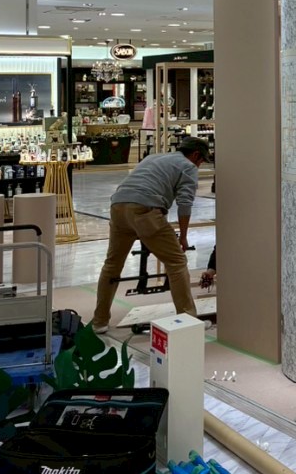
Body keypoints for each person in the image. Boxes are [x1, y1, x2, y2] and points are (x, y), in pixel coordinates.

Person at [91, 137, 212, 333]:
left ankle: (99, 321)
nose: (200, 165)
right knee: (177, 262)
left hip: (118, 206)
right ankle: (189, 321)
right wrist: (183, 236)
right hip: (145, 209)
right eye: (201, 161)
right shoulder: (188, 166)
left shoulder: (154, 157)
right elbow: (185, 203)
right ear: (195, 154)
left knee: (112, 265)